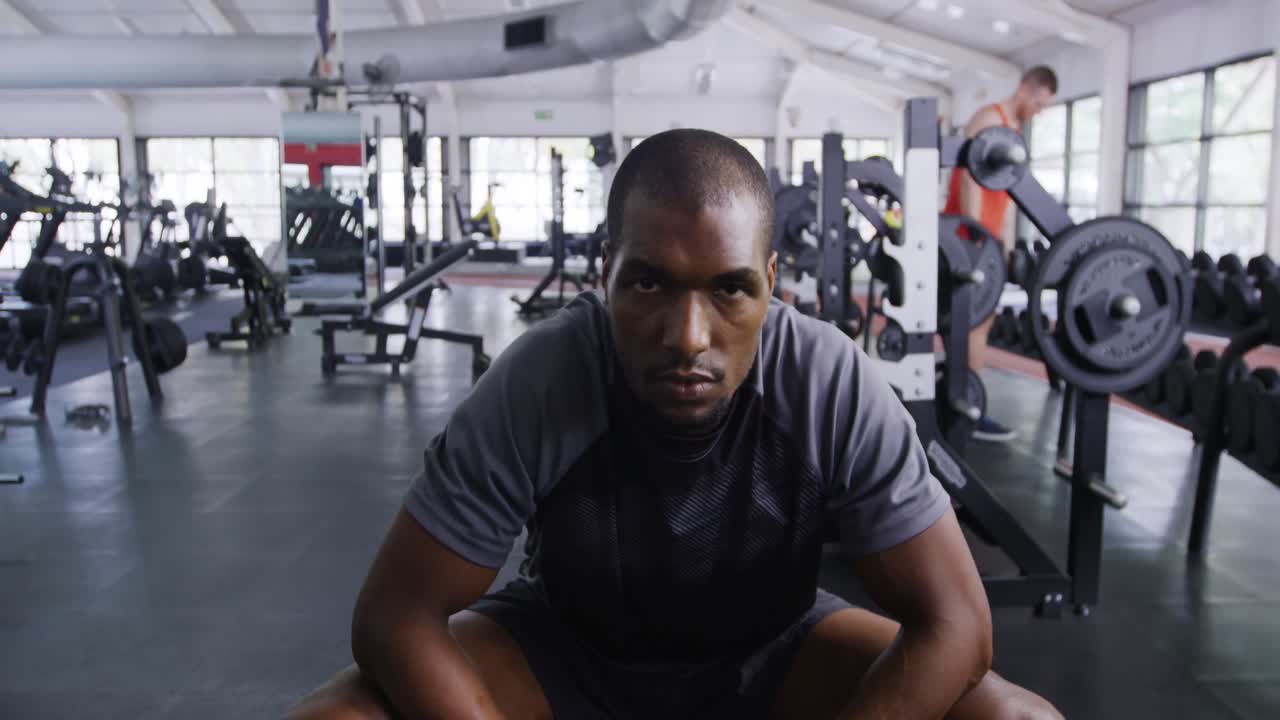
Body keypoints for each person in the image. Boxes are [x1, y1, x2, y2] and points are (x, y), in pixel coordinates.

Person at [289, 130, 1062, 719]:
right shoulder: (542, 377)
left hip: (777, 652)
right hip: (567, 654)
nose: (688, 336)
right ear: (607, 276)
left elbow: (960, 624)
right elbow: (394, 617)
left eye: (729, 290)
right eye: (650, 283)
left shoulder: (826, 380)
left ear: (771, 285)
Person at [944, 65, 1058, 443]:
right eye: (1039, 102)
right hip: (968, 236)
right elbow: (970, 178)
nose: (1039, 110)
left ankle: (960, 398)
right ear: (1027, 88)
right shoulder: (990, 117)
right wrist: (977, 236)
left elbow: (1007, 194)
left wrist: (1003, 247)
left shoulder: (1015, 129)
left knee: (976, 322)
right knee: (974, 323)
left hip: (986, 239)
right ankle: (972, 410)